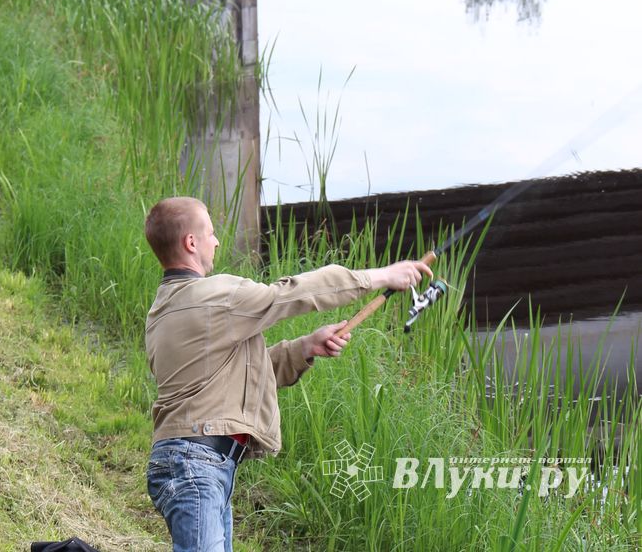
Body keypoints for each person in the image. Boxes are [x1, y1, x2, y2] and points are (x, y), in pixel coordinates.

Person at [143, 196, 432, 552]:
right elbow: (292, 293)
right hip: (197, 463)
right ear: (191, 242)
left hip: (193, 461)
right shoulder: (213, 295)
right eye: (211, 233)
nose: (216, 241)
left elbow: (233, 375)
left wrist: (306, 347)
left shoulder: (164, 309)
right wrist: (380, 276)